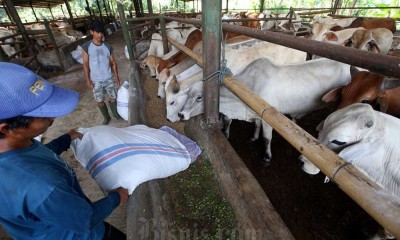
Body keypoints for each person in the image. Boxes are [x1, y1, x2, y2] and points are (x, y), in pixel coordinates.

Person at [0, 62, 129, 240]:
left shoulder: (17, 146)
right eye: (44, 115)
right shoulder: (41, 185)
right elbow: (85, 219)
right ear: (6, 129)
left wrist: (66, 139)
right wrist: (118, 197)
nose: (53, 117)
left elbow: (40, 154)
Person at [82, 21, 122, 125]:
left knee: (113, 97)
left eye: (102, 33)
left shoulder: (108, 47)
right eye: (98, 32)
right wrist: (88, 79)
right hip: (96, 80)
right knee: (99, 100)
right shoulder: (86, 47)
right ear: (92, 32)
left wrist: (116, 77)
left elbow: (113, 63)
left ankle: (115, 114)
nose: (100, 35)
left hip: (108, 77)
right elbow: (85, 64)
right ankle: (106, 117)